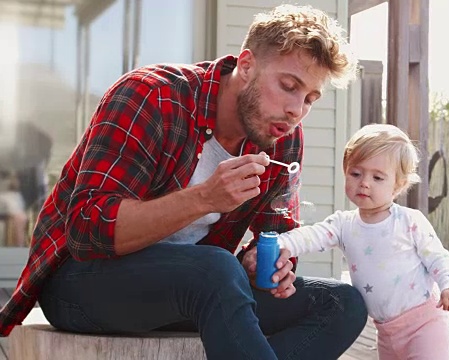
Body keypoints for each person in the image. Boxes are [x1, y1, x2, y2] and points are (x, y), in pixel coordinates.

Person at [0, 4, 368, 359]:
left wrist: (268, 263)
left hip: (199, 289)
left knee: (342, 303)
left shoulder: (283, 138)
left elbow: (277, 231)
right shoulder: (151, 96)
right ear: (246, 65)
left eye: (310, 99)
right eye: (289, 86)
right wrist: (204, 198)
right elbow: (86, 229)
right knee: (214, 268)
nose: (296, 110)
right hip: (83, 283)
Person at [278, 124, 449, 360]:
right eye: (356, 174)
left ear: (397, 185)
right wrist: (281, 244)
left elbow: (438, 256)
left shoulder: (409, 221)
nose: (365, 183)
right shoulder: (343, 224)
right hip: (385, 332)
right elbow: (312, 235)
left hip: (426, 324)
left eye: (378, 177)